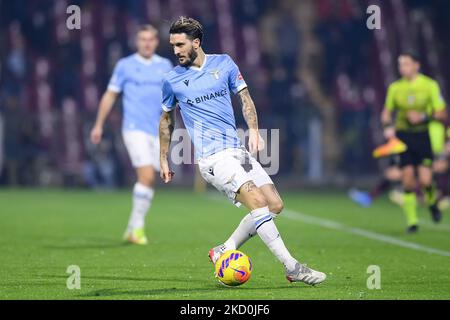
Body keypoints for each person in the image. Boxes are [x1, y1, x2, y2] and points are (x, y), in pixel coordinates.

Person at [159, 16, 326, 285]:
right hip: (213, 158)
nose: (175, 50)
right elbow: (166, 119)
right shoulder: (172, 80)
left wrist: (255, 131)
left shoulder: (224, 63)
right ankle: (292, 266)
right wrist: (164, 157)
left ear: (196, 42)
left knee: (274, 204)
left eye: (180, 44)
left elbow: (245, 99)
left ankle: (223, 250)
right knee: (258, 203)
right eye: (173, 45)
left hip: (237, 151)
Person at [90, 25, 173, 244]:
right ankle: (137, 229)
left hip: (157, 131)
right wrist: (98, 124)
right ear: (137, 42)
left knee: (150, 179)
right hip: (133, 128)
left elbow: (173, 99)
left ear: (156, 42)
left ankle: (131, 228)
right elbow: (110, 95)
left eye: (150, 39)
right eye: (142, 39)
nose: (146, 43)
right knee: (145, 176)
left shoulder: (165, 66)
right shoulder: (125, 66)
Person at [381, 52, 447, 233]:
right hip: (403, 137)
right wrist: (387, 126)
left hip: (422, 136)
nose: (403, 68)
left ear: (416, 65)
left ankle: (432, 202)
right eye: (400, 65)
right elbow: (386, 112)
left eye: (407, 64)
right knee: (408, 180)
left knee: (426, 180)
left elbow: (442, 113)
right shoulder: (395, 88)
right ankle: (412, 222)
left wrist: (423, 116)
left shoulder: (429, 85)